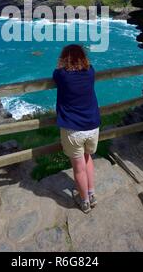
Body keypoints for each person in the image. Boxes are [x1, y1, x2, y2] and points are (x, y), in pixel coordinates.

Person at [53, 44, 101, 213]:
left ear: (64, 58)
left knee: (78, 167)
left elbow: (56, 73)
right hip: (92, 127)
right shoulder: (91, 72)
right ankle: (92, 193)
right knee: (88, 158)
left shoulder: (61, 75)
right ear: (83, 57)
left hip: (73, 129)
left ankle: (85, 201)